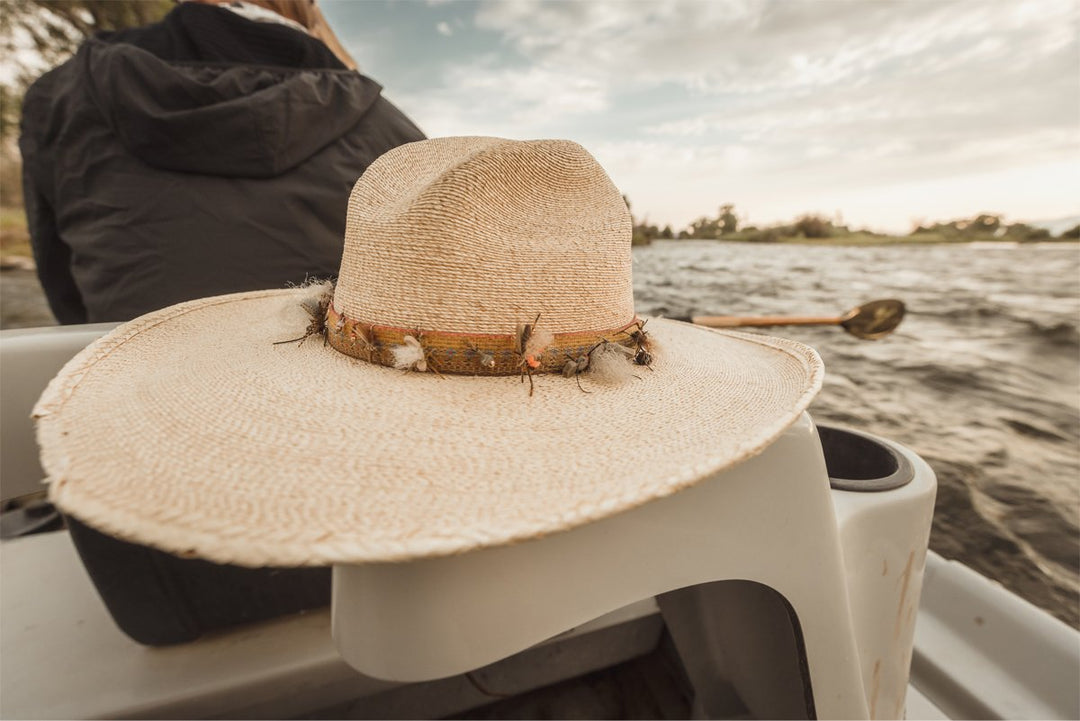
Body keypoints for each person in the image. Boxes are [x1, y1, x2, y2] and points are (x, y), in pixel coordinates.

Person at [19, 0, 425, 324]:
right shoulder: (390, 126)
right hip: (339, 404)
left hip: (126, 388)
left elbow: (63, 288)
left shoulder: (60, 97)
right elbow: (424, 290)